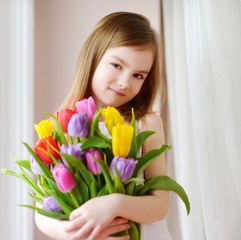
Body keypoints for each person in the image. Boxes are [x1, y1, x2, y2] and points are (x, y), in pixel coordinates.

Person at [35, 12, 172, 240]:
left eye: (138, 75)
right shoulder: (61, 127)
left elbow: (161, 204)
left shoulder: (144, 124)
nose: (124, 82)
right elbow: (42, 206)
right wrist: (66, 231)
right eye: (117, 65)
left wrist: (114, 204)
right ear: (94, 57)